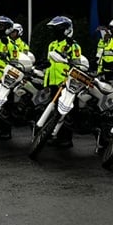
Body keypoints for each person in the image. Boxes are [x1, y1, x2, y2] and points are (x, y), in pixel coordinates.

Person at [43, 16, 82, 148]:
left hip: (67, 84)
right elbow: (50, 66)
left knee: (66, 112)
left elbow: (77, 65)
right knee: (55, 111)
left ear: (66, 30)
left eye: (57, 29)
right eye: (54, 29)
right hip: (54, 83)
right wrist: (46, 83)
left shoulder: (73, 45)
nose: (55, 32)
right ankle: (56, 136)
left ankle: (66, 139)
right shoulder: (52, 44)